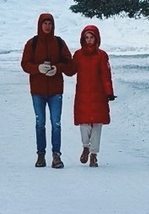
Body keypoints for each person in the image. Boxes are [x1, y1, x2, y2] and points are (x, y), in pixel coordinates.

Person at [21, 12, 75, 168]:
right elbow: (25, 64)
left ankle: (56, 155)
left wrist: (57, 69)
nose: (47, 26)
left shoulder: (59, 43)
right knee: (40, 123)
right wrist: (37, 68)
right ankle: (41, 155)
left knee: (56, 123)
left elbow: (70, 65)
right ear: (40, 25)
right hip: (37, 90)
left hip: (55, 91)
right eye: (44, 23)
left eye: (49, 23)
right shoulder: (32, 43)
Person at [72, 24, 115, 167]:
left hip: (98, 95)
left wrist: (109, 92)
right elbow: (71, 69)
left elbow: (106, 75)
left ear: (96, 39)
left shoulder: (101, 55)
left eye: (91, 38)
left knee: (97, 125)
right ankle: (85, 146)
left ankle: (94, 154)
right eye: (86, 38)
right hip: (83, 94)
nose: (89, 40)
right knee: (84, 123)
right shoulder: (78, 55)